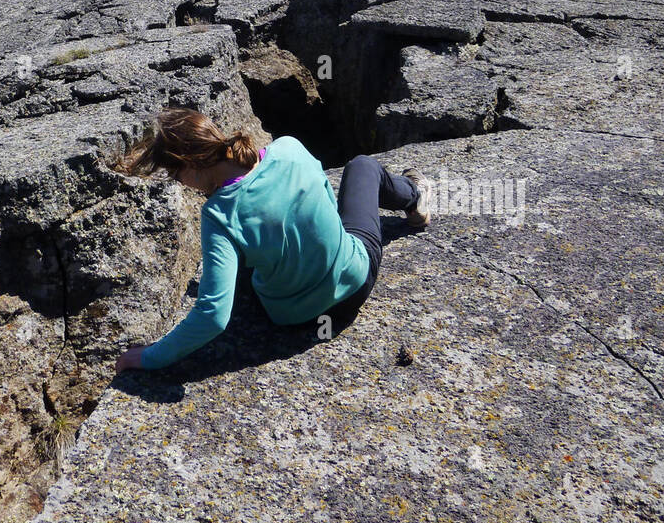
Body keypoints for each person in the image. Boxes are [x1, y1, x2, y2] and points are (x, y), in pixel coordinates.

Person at [113, 108, 430, 372]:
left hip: (292, 318)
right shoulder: (289, 148)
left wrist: (148, 357)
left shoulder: (219, 215)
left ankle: (415, 195)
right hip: (353, 286)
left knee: (244, 258)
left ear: (191, 165)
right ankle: (413, 196)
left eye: (176, 174)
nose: (180, 182)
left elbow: (213, 315)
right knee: (363, 166)